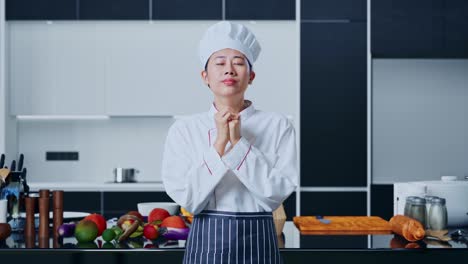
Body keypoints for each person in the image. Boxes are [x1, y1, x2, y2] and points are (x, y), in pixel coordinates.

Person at [162, 21, 298, 264]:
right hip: (205, 243)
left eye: (238, 62)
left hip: (260, 243)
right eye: (219, 62)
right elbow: (190, 200)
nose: (229, 70)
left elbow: (276, 194)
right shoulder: (184, 130)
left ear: (251, 76)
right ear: (205, 76)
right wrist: (220, 142)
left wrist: (238, 142)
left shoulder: (278, 125)